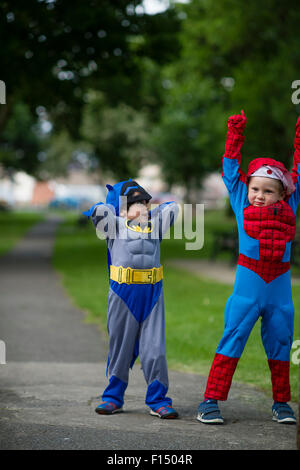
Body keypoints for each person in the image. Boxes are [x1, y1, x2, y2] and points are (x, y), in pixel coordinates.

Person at [197, 110, 300, 425]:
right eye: (255, 188)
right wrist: (234, 134)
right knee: (233, 337)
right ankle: (210, 402)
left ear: (283, 193)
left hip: (279, 292)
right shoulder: (241, 199)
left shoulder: (291, 206)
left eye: (268, 191)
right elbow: (230, 169)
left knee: (281, 342)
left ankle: (281, 402)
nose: (259, 195)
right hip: (247, 288)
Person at [83, 179, 179, 418]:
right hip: (123, 294)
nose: (144, 208)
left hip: (152, 294)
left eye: (146, 203)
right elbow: (97, 211)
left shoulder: (154, 227)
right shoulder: (114, 227)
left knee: (155, 349)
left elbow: (173, 208)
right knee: (120, 348)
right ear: (123, 209)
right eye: (137, 204)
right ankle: (113, 397)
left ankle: (158, 399)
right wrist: (118, 210)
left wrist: (149, 210)